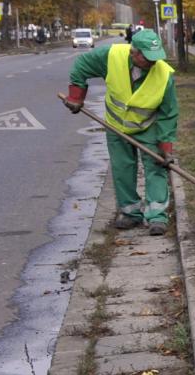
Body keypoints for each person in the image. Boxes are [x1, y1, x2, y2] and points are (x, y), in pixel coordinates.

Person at [64, 29, 178, 235]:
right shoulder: (111, 56)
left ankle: (157, 216)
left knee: (156, 166)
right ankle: (130, 212)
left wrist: (166, 146)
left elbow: (168, 114)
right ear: (134, 53)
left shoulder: (164, 75)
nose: (153, 62)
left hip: (148, 126)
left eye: (156, 57)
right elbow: (81, 66)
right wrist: (76, 95)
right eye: (147, 58)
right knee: (123, 168)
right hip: (116, 125)